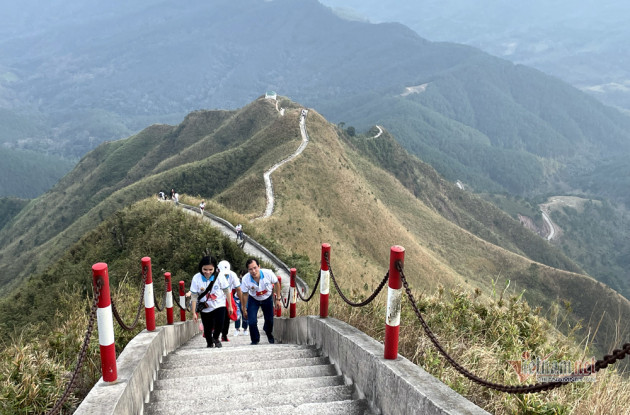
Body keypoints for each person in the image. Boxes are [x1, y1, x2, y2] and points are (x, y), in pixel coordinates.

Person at [190, 255, 232, 348]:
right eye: (205, 269)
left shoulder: (219, 276)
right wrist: (194, 313)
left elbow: (226, 290)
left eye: (210, 270)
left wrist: (230, 306)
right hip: (205, 307)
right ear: (201, 268)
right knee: (207, 327)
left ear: (215, 268)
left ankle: (216, 338)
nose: (208, 272)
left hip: (219, 304)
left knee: (220, 323)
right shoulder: (196, 278)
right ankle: (209, 342)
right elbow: (194, 296)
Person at [241, 258, 281, 345]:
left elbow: (277, 283)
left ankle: (268, 333)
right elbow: (244, 294)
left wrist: (278, 299)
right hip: (253, 299)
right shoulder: (245, 279)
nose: (253, 271)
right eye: (250, 269)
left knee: (269, 320)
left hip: (267, 298)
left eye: (255, 268)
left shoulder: (268, 273)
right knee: (251, 321)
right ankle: (255, 340)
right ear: (248, 270)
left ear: (259, 266)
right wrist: (244, 308)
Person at [218, 260, 244, 342]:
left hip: (228, 296)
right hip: (216, 297)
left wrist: (242, 303)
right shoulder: (213, 274)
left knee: (227, 316)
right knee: (216, 315)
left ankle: (224, 335)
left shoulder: (232, 275)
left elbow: (238, 289)